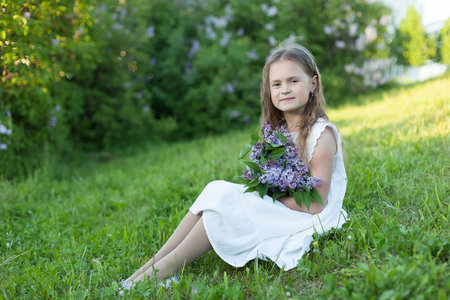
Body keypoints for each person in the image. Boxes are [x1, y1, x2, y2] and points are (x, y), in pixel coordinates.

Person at [122, 43, 347, 289]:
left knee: (228, 204)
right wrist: (263, 193)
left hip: (308, 216)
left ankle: (158, 273)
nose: (285, 89)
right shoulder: (278, 132)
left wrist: (267, 199)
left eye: (294, 81)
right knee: (216, 190)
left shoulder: (320, 135)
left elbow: (316, 203)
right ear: (268, 89)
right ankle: (152, 266)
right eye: (277, 84)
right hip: (285, 205)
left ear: (313, 83)